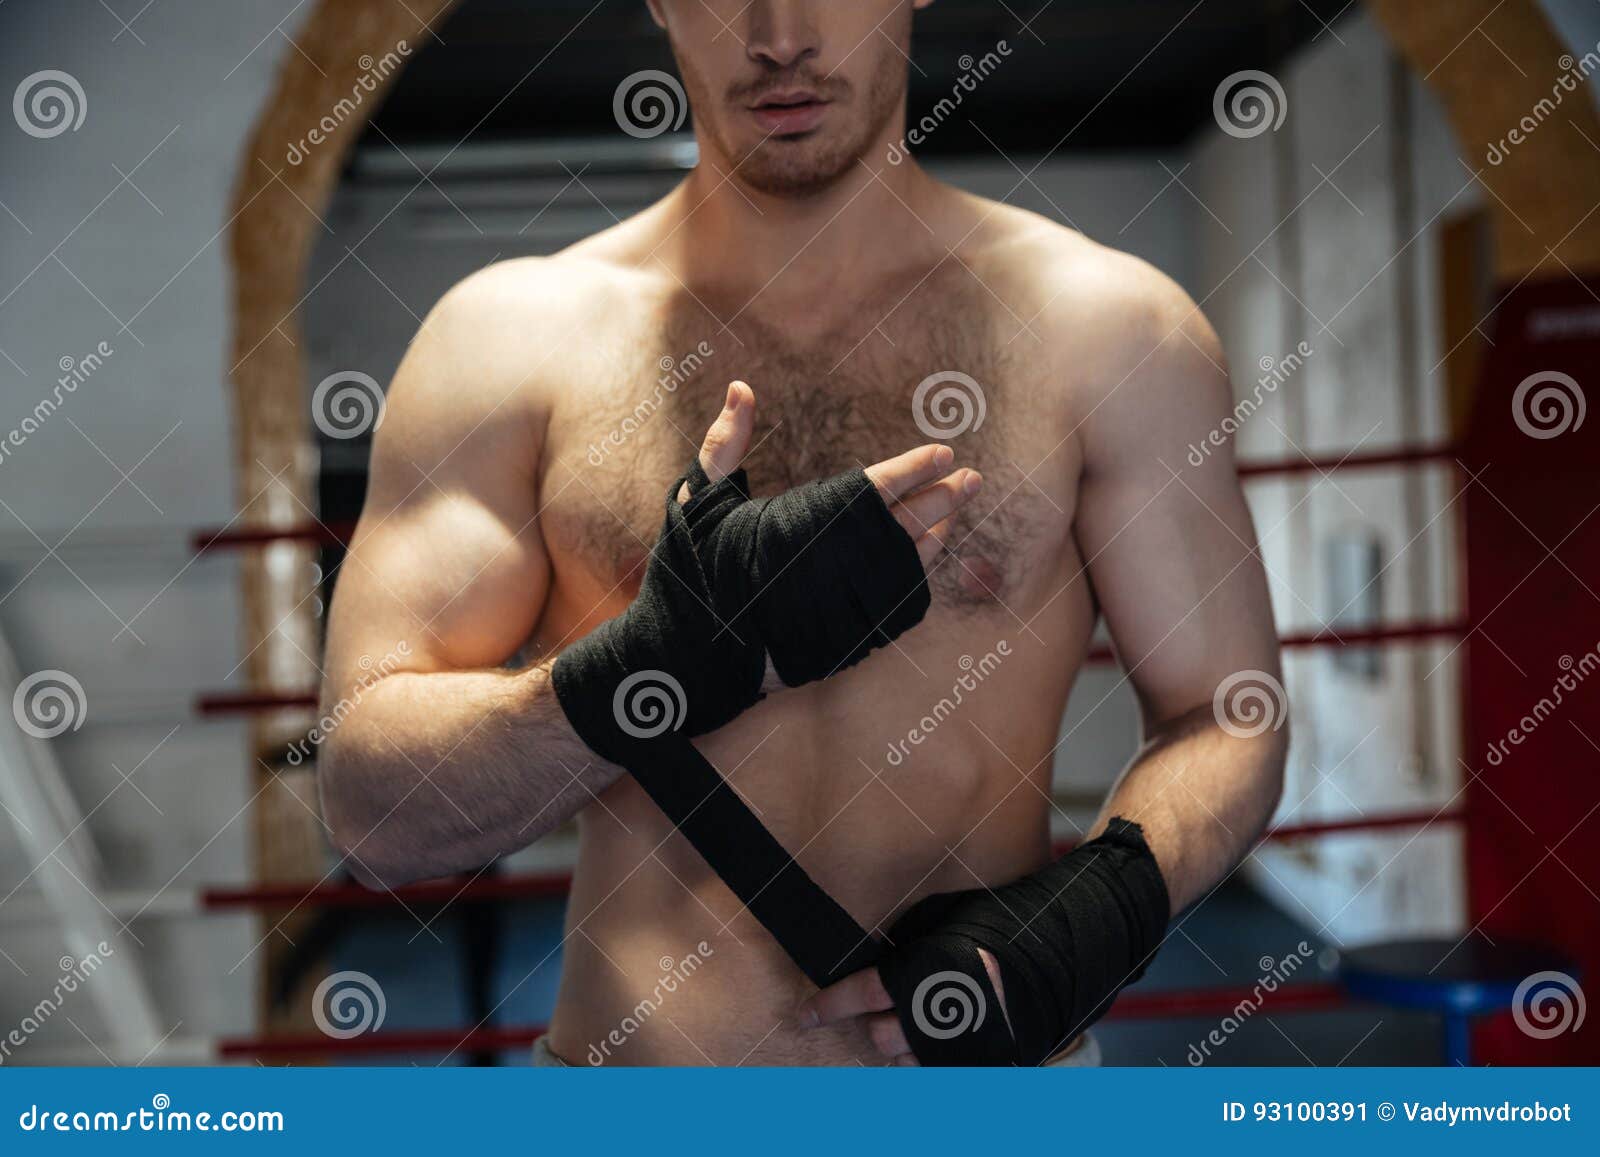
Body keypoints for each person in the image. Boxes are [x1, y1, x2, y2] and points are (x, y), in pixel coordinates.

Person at [318, 0, 1287, 1066]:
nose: (779, 32)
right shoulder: (506, 340)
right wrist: (650, 674)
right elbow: (372, 809)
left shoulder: (1108, 328)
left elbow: (1224, 715)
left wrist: (1101, 909)